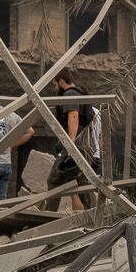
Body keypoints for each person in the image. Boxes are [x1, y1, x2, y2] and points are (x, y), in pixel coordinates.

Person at [46, 72, 102, 213]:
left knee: (54, 180)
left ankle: (47, 216)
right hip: (84, 148)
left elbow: (73, 115)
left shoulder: (69, 94)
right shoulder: (81, 94)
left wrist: (70, 145)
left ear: (61, 81)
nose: (55, 87)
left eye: (55, 83)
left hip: (76, 146)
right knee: (82, 182)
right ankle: (95, 215)